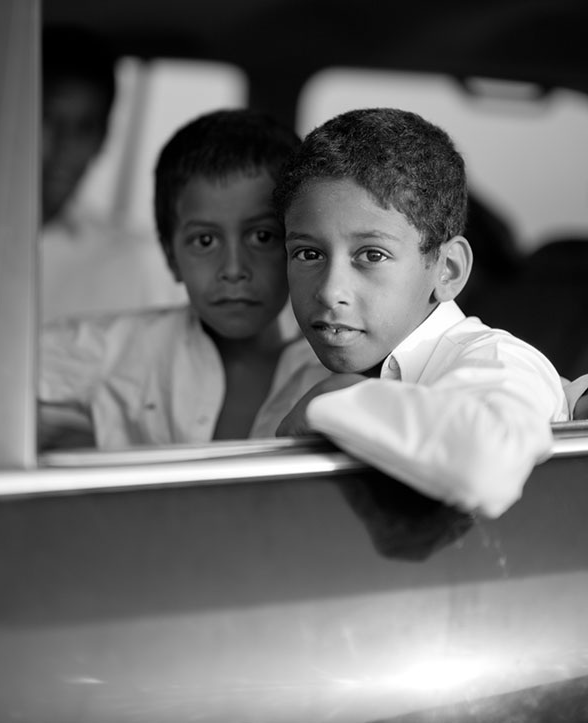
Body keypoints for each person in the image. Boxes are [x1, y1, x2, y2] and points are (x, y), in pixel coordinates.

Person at [274, 107, 568, 519]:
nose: (329, 291)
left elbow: (486, 466)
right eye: (308, 253)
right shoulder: (298, 369)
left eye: (372, 255)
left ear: (447, 270)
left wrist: (335, 397)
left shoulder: (498, 360)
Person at [38, 109, 328, 450]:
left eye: (262, 236)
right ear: (171, 256)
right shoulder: (120, 350)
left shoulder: (330, 365)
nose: (233, 269)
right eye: (205, 241)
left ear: (297, 244)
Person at [40, 24, 183, 323]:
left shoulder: (133, 267)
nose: (64, 146)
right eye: (48, 119)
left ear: (103, 138)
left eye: (84, 128)